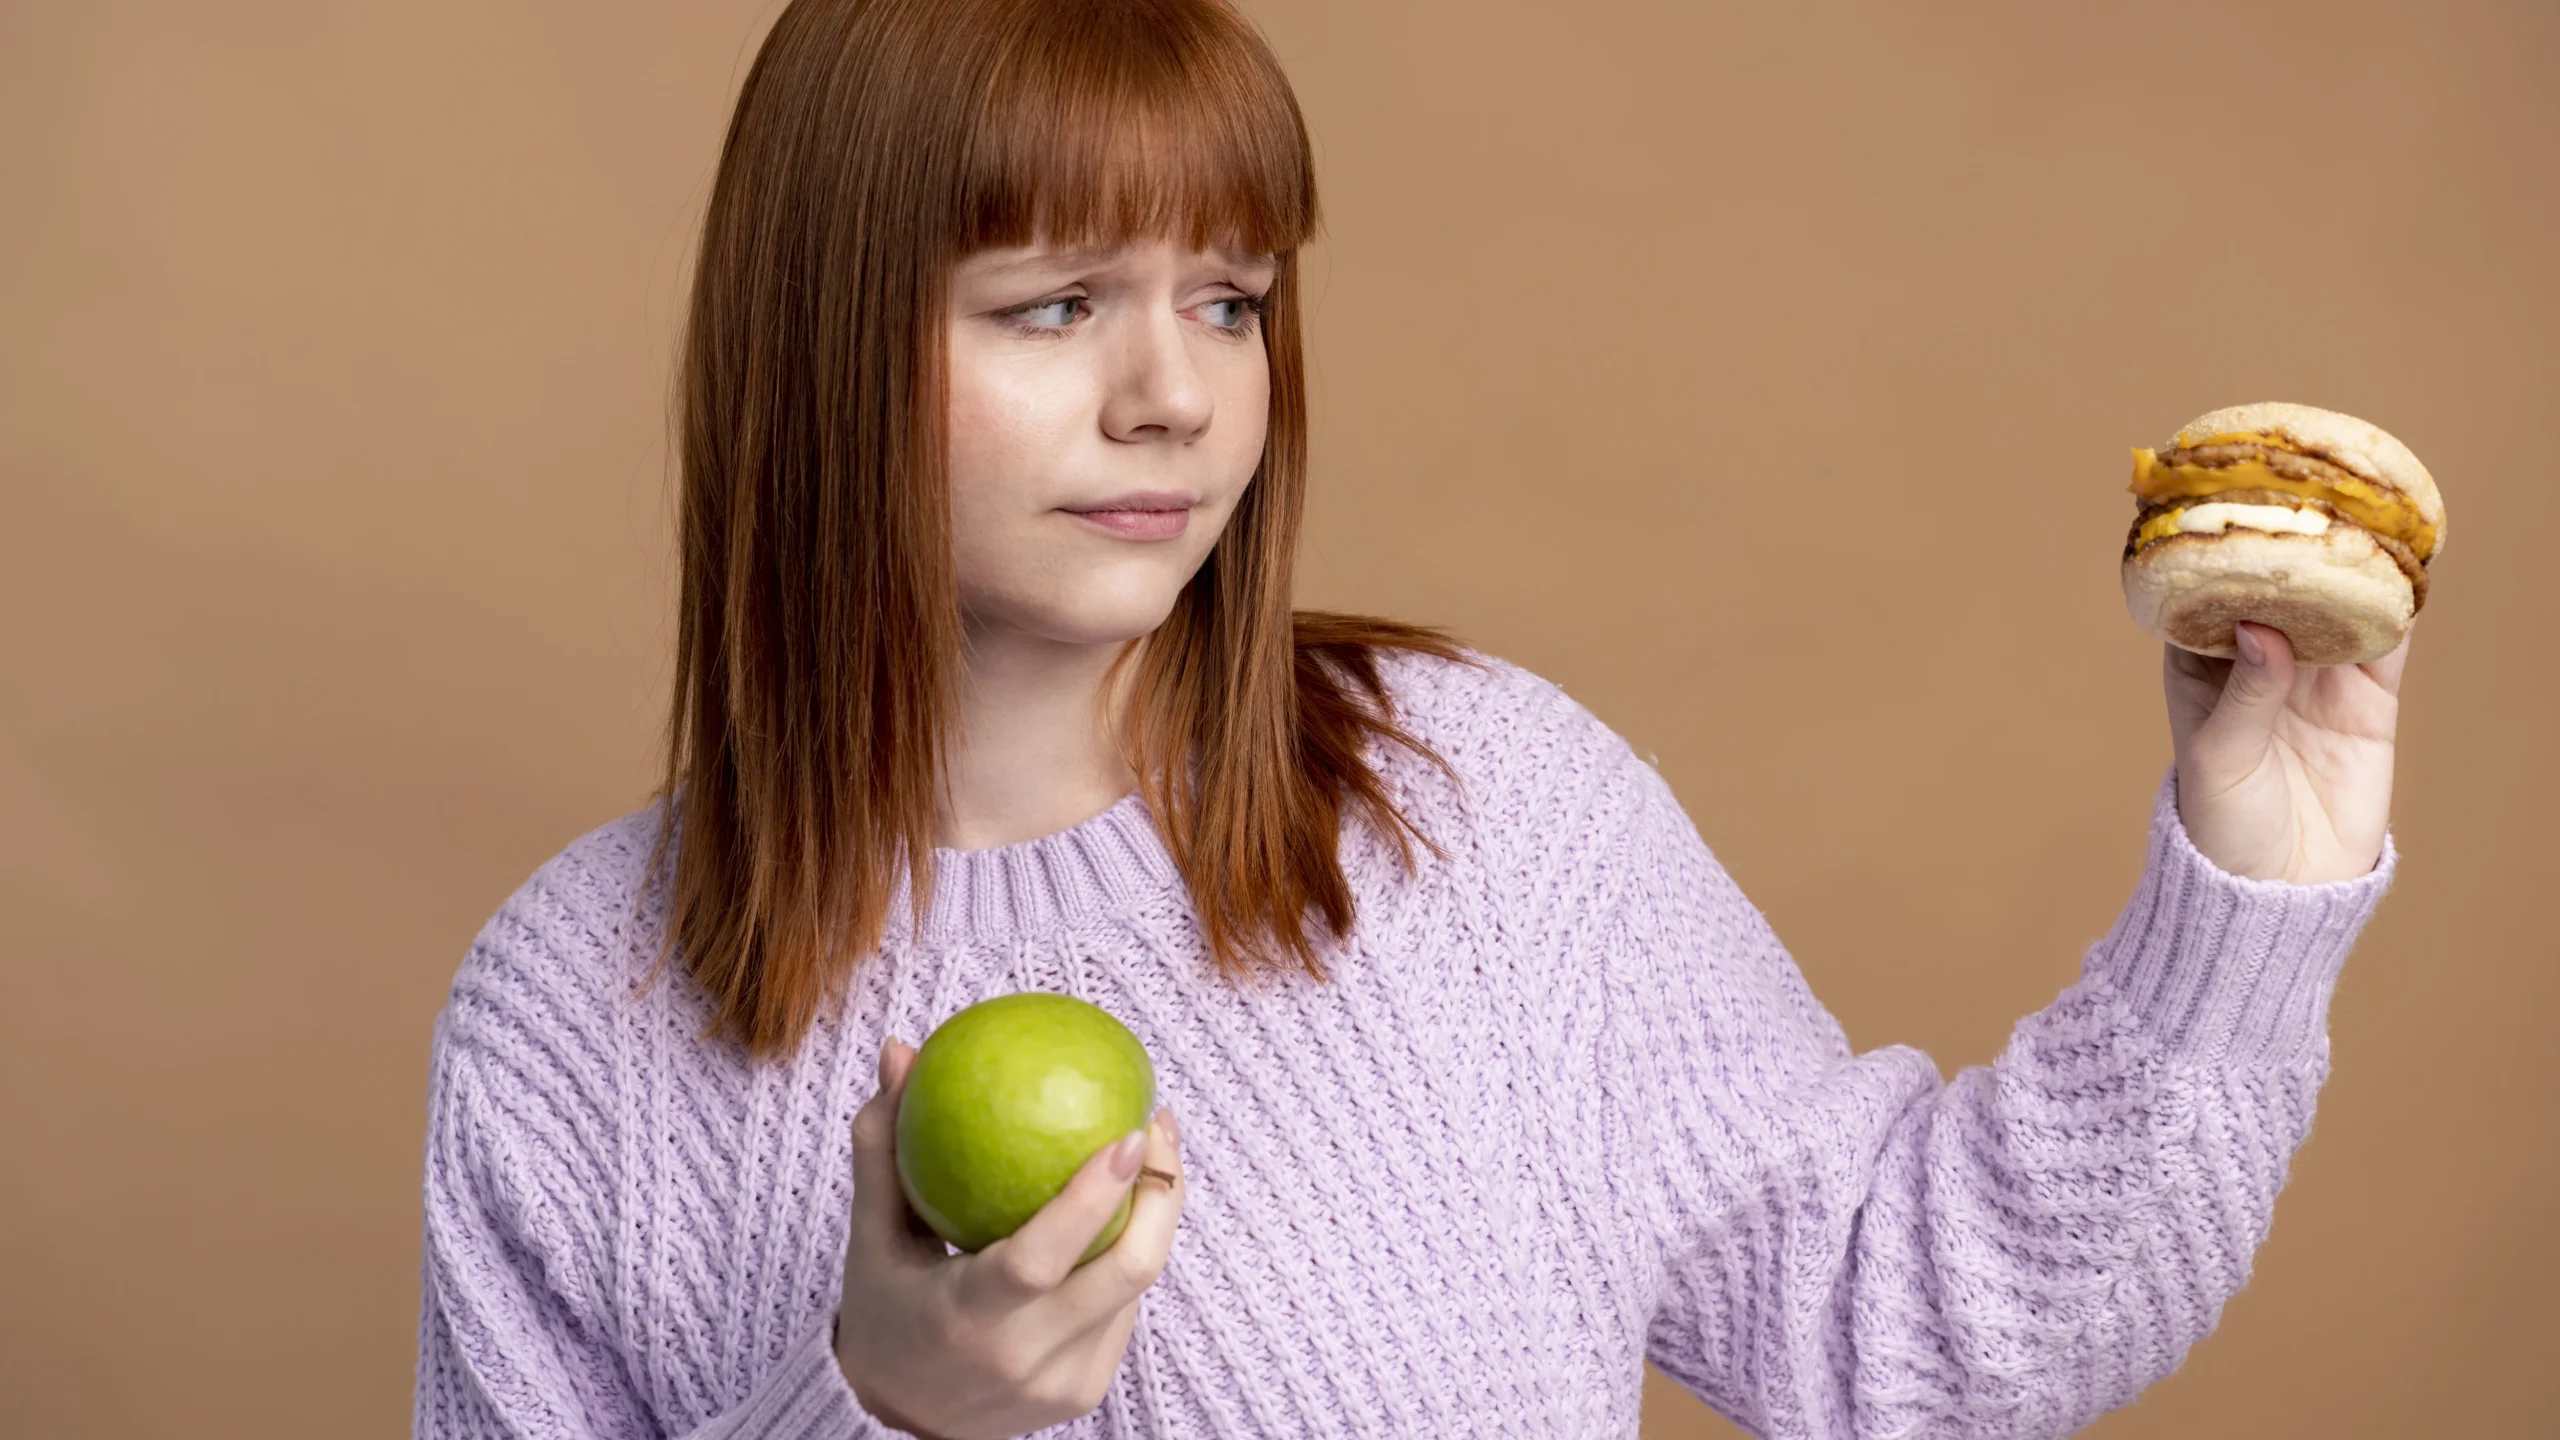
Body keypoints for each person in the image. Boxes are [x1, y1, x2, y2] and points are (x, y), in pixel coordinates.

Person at [410, 0, 2406, 1436]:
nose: (1172, 397)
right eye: (1050, 304)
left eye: (1227, 296)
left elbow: (1910, 1327)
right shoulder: (566, 1016)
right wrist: (875, 1414)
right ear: (829, 340)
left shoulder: (1475, 801)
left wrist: (2254, 879)